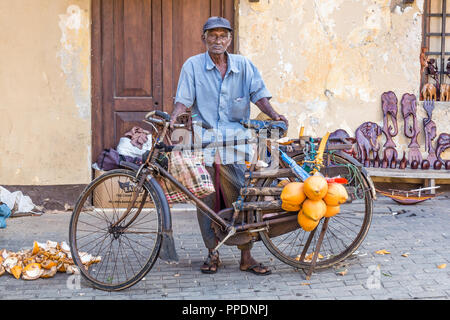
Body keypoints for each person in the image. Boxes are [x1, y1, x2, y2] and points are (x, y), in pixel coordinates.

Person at [170, 16, 288, 275]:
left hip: (237, 143)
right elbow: (183, 101)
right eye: (212, 35)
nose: (218, 40)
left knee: (243, 199)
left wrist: (275, 114)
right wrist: (174, 118)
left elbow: (259, 95)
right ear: (204, 38)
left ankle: (247, 256)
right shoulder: (192, 66)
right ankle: (212, 254)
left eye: (223, 36)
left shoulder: (244, 65)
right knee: (207, 201)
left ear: (230, 40)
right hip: (206, 143)